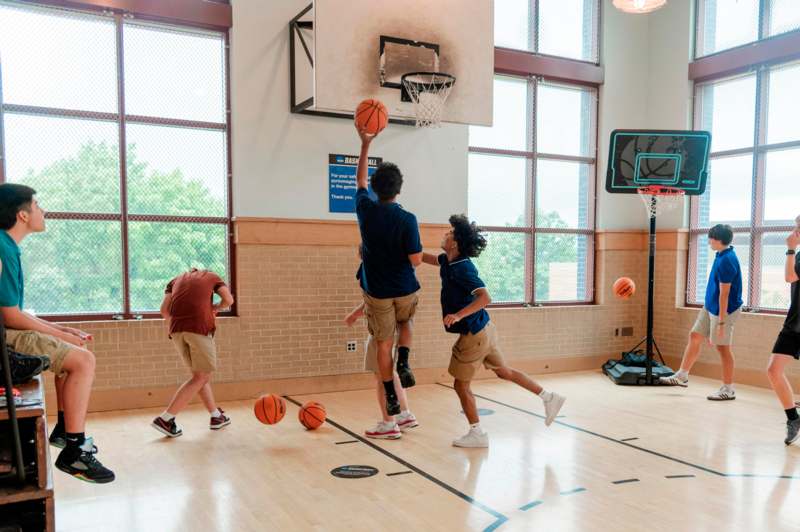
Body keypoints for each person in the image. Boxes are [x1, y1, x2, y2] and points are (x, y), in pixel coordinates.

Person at [0, 183, 114, 483]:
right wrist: (61, 335)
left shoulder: (7, 245)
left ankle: (65, 430)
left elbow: (14, 312)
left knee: (78, 350)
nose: (43, 210)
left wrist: (61, 330)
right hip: (3, 339)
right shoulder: (3, 246)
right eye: (37, 205)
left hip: (7, 330)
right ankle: (75, 452)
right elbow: (10, 316)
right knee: (83, 362)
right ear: (22, 214)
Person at [421, 214, 565, 448]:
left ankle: (477, 433)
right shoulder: (448, 261)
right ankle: (549, 397)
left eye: (449, 233)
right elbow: (420, 257)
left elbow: (485, 297)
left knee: (460, 385)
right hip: (485, 329)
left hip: (474, 334)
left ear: (455, 242)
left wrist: (458, 315)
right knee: (504, 372)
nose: (445, 235)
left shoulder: (463, 268)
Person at [353, 123, 422, 416]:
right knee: (405, 323)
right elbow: (416, 259)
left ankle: (391, 396)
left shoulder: (366, 211)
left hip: (377, 291)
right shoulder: (408, 218)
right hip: (404, 287)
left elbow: (359, 183)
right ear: (399, 189)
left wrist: (365, 144)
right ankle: (404, 361)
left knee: (382, 344)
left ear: (376, 187)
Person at [660, 224, 743, 400]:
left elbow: (725, 295)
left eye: (711, 238)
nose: (709, 241)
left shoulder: (727, 261)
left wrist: (721, 322)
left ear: (719, 240)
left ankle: (728, 389)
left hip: (724, 310)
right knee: (695, 336)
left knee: (723, 348)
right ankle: (682, 375)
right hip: (710, 306)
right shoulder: (721, 254)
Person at [151, 268, 234, 437]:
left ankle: (216, 416)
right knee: (201, 377)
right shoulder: (212, 276)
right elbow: (228, 300)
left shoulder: (175, 280)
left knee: (199, 376)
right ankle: (166, 419)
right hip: (198, 328)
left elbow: (164, 311)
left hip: (176, 331)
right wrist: (215, 307)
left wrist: (182, 323)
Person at [344, 303, 418, 439]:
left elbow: (372, 301)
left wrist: (354, 314)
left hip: (382, 330)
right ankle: (404, 414)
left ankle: (389, 424)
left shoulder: (377, 283)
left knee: (382, 377)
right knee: (390, 372)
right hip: (400, 329)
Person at [766, 216, 800, 445]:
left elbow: (789, 277)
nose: (795, 230)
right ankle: (793, 419)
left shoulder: (794, 252)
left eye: (798, 226)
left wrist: (789, 249)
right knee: (773, 370)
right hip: (794, 323)